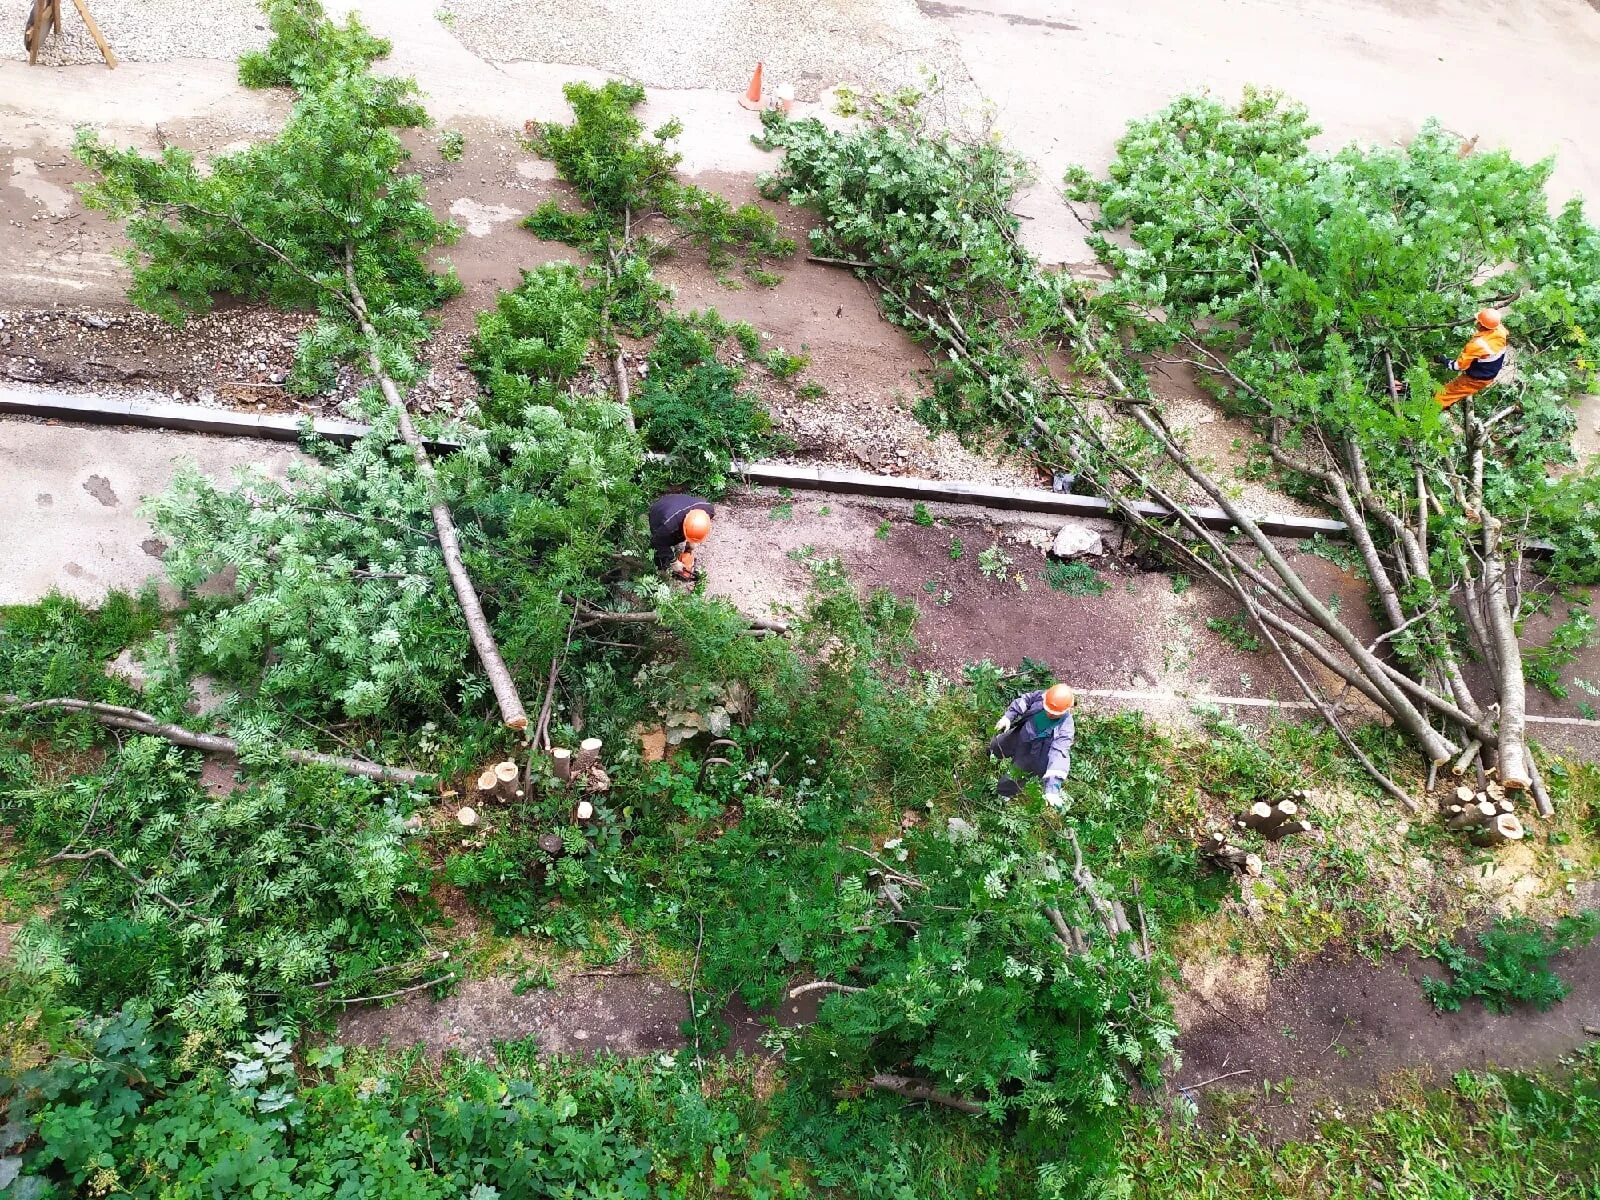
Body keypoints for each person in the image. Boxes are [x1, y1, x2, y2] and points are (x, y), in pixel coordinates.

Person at [990, 683, 1076, 808]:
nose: (1049, 714)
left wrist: (1052, 789)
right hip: (1020, 735)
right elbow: (1025, 700)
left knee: (1014, 778)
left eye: (1054, 713)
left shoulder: (1065, 729)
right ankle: (991, 756)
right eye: (1047, 709)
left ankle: (1003, 795)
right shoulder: (1044, 696)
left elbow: (1059, 754)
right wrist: (1008, 717)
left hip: (1034, 755)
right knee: (998, 744)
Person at [1435, 308, 1508, 411]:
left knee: (1447, 394)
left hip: (1477, 379)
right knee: (1454, 390)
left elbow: (1458, 366)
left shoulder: (1478, 345)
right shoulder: (1500, 330)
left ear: (1482, 325)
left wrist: (1443, 360)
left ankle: (1430, 410)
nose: (1476, 322)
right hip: (1487, 373)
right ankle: (1445, 404)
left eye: (1478, 321)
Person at [647, 494, 715, 581]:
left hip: (677, 502)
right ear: (684, 524)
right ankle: (660, 571)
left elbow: (698, 526)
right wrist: (673, 561)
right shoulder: (667, 526)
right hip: (659, 510)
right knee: (662, 543)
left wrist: (693, 542)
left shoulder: (709, 510)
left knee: (678, 536)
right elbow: (656, 542)